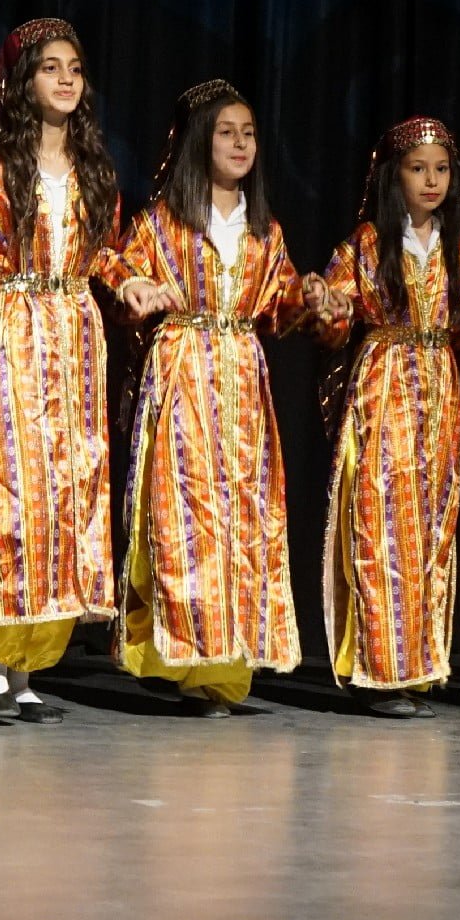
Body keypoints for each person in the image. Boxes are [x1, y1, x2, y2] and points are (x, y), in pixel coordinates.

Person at [0, 18, 170, 722]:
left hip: (75, 334)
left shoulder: (94, 170)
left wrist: (129, 284)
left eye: (75, 66)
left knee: (66, 494)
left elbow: (109, 253)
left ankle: (33, 661)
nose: (67, 78)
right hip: (15, 329)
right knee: (13, 492)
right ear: (22, 83)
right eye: (50, 67)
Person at [112, 80, 342, 715]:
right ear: (197, 141)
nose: (241, 144)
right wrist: (138, 290)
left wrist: (313, 298)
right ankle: (182, 654)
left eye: (248, 134)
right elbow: (122, 272)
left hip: (241, 380)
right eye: (225, 132)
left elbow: (280, 303)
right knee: (183, 518)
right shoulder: (163, 221)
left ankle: (225, 668)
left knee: (241, 517)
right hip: (184, 373)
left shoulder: (263, 229)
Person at [312, 117, 460, 717]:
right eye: (418, 169)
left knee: (431, 527)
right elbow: (332, 320)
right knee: (383, 523)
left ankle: (419, 666)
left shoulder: (455, 248)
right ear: (393, 176)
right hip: (384, 386)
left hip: (438, 390)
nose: (431, 181)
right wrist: (327, 306)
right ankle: (379, 669)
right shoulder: (366, 244)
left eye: (441, 169)